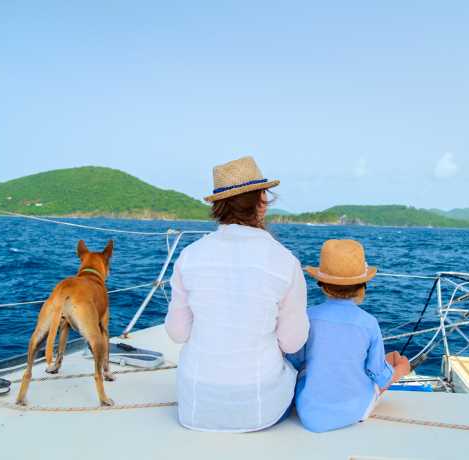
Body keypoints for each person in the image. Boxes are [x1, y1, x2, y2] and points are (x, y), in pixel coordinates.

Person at [165, 156, 309, 432]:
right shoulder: (284, 261)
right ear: (262, 201)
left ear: (217, 206)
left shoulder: (189, 256)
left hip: (196, 405)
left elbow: (177, 333)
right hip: (259, 408)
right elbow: (292, 342)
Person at [287, 239, 410, 433]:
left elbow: (295, 361)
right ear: (363, 285)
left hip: (308, 412)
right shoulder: (369, 323)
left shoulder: (308, 317)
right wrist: (401, 369)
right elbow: (379, 376)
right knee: (397, 361)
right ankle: (402, 367)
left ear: (322, 284)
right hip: (355, 411)